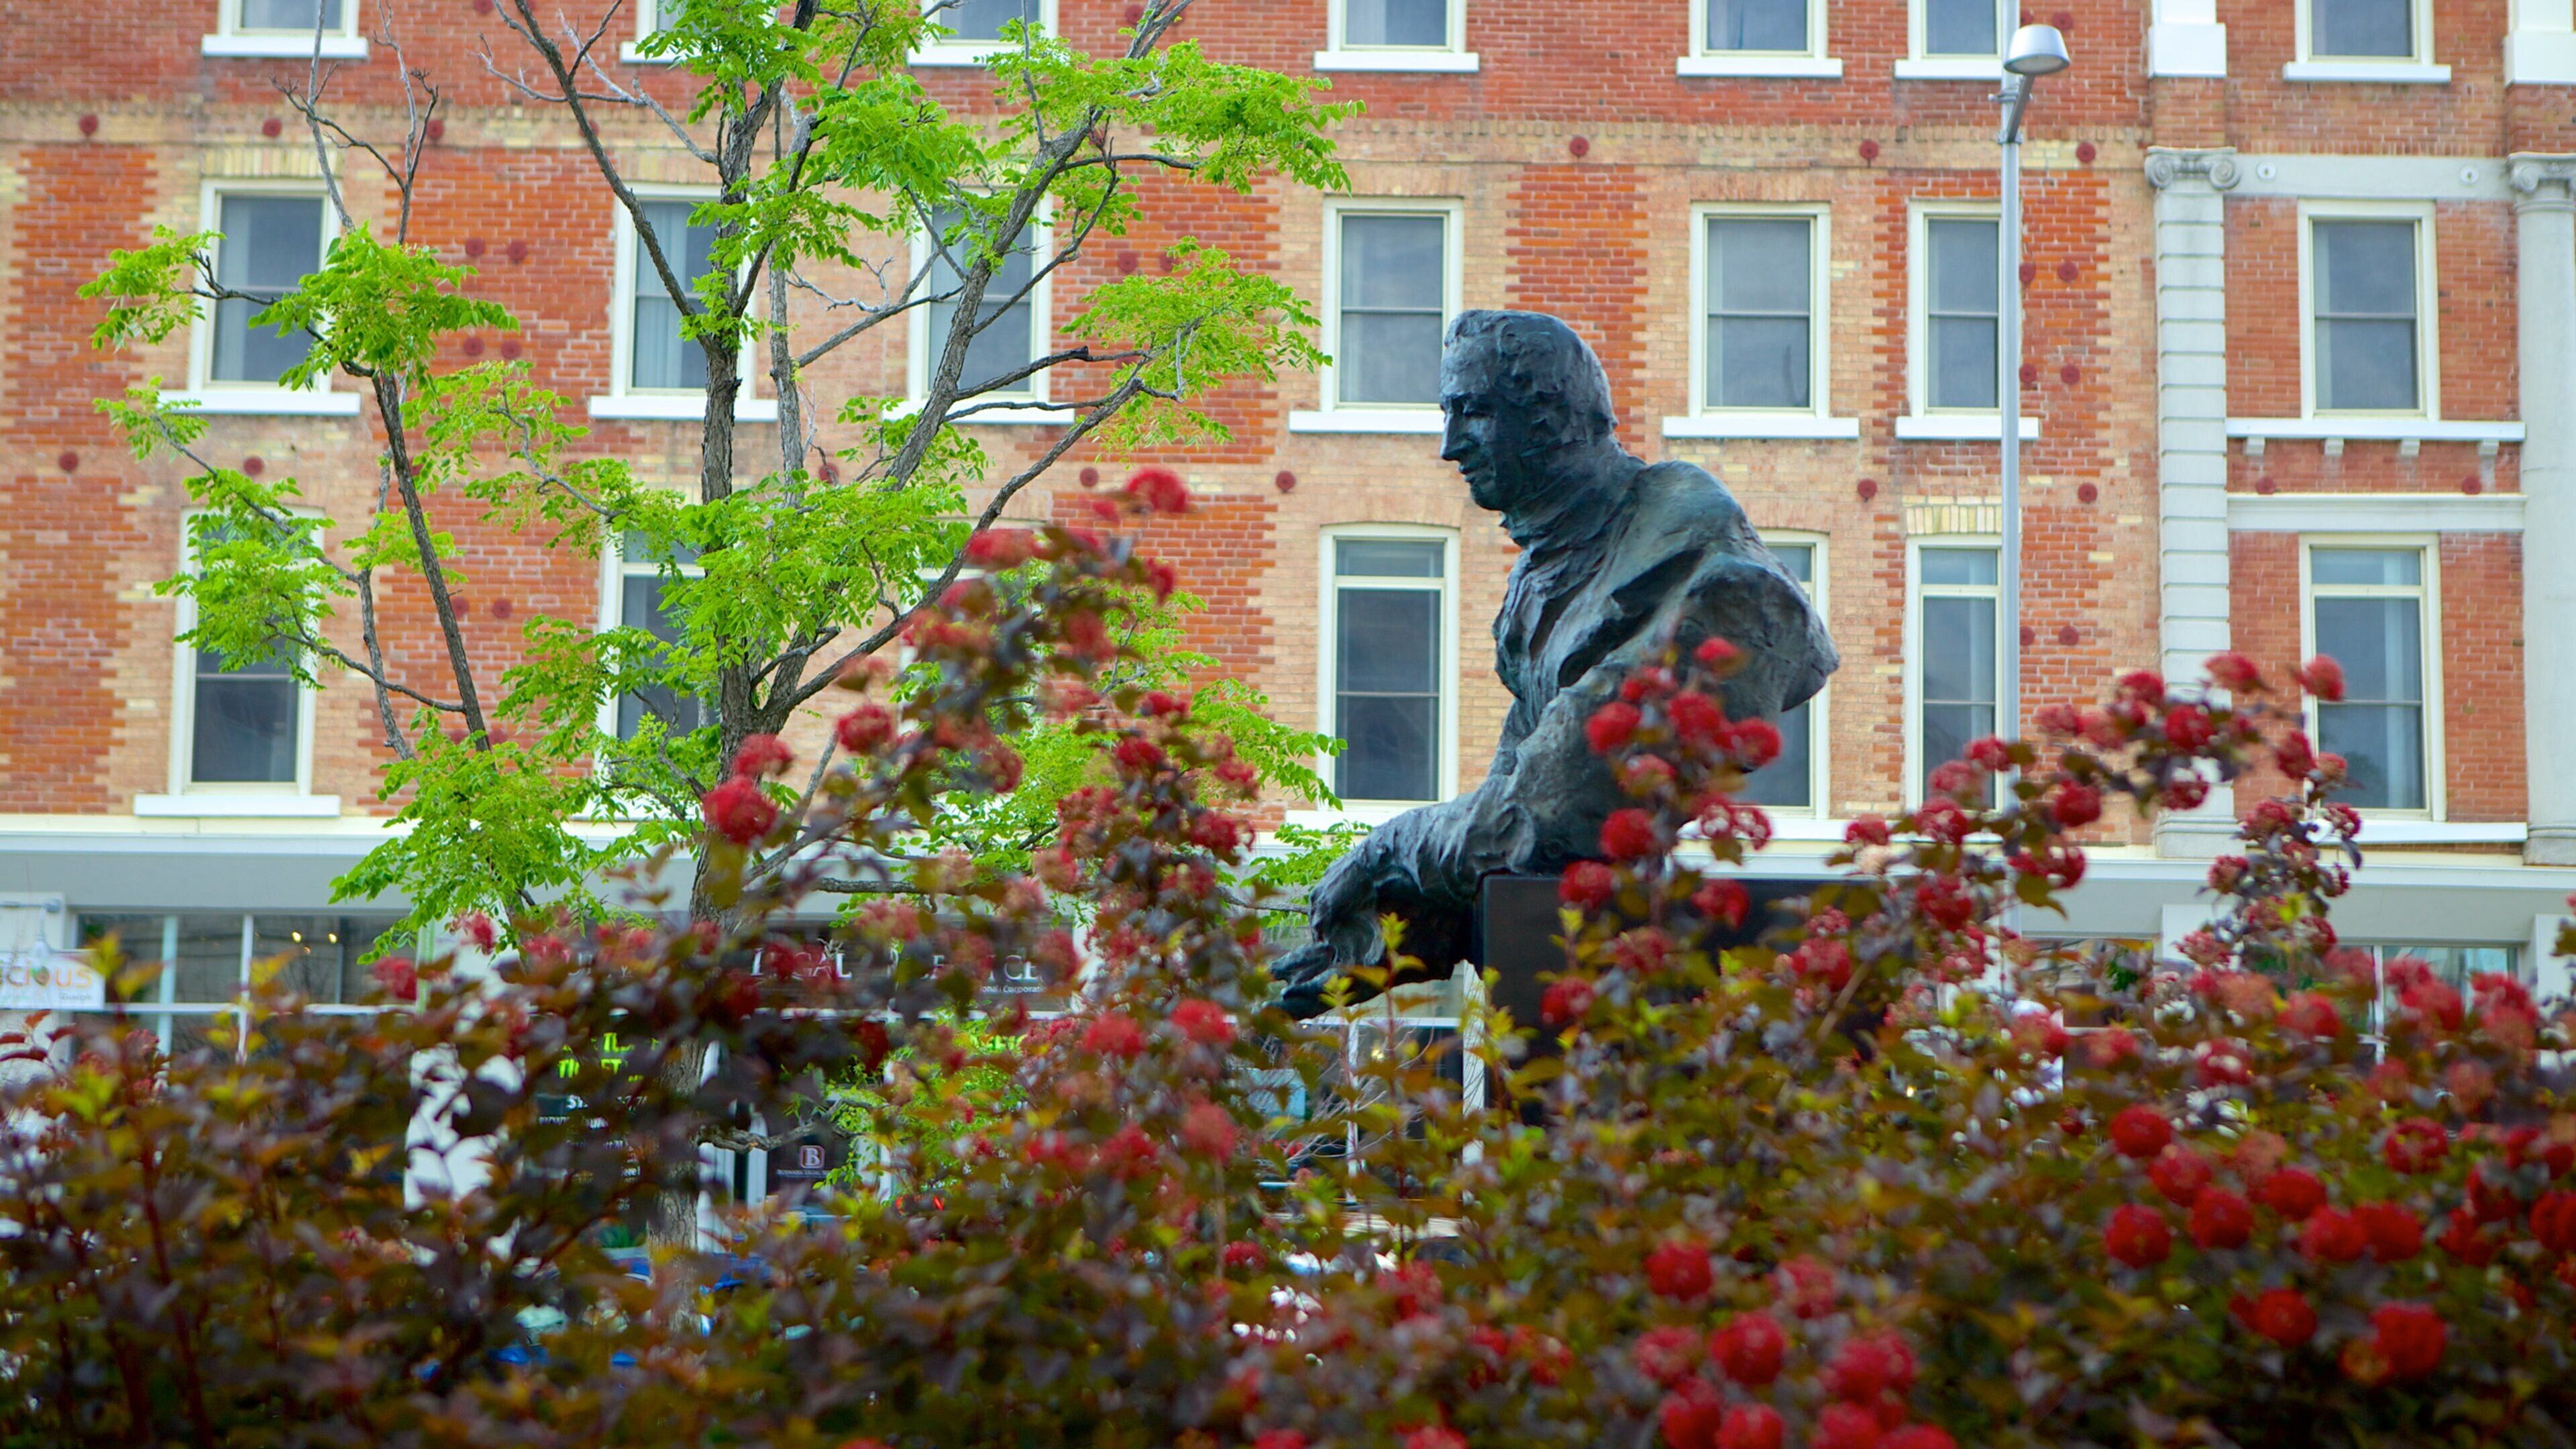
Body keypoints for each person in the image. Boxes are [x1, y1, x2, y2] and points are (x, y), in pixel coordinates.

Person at [1275, 310, 1837, 1018]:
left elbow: (1541, 818)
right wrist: (1381, 942)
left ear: (1552, 416)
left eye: (1474, 413)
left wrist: (1382, 852)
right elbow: (1508, 843)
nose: (1451, 447)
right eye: (1449, 415)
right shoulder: (1539, 586)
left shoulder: (1705, 575)